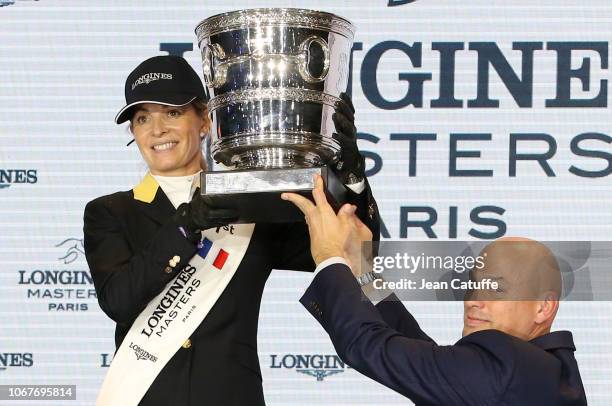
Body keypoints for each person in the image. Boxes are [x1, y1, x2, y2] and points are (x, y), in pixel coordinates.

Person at [83, 55, 380, 405]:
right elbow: (119, 300)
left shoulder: (253, 203)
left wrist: (351, 180)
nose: (157, 129)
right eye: (142, 118)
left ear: (205, 120)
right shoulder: (111, 211)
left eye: (173, 113)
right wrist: (187, 224)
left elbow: (355, 248)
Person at [281, 176, 587, 406]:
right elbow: (426, 357)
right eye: (473, 287)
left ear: (543, 307)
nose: (474, 302)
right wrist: (363, 270)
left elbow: (370, 346)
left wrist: (329, 256)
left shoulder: (508, 369)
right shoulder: (545, 371)